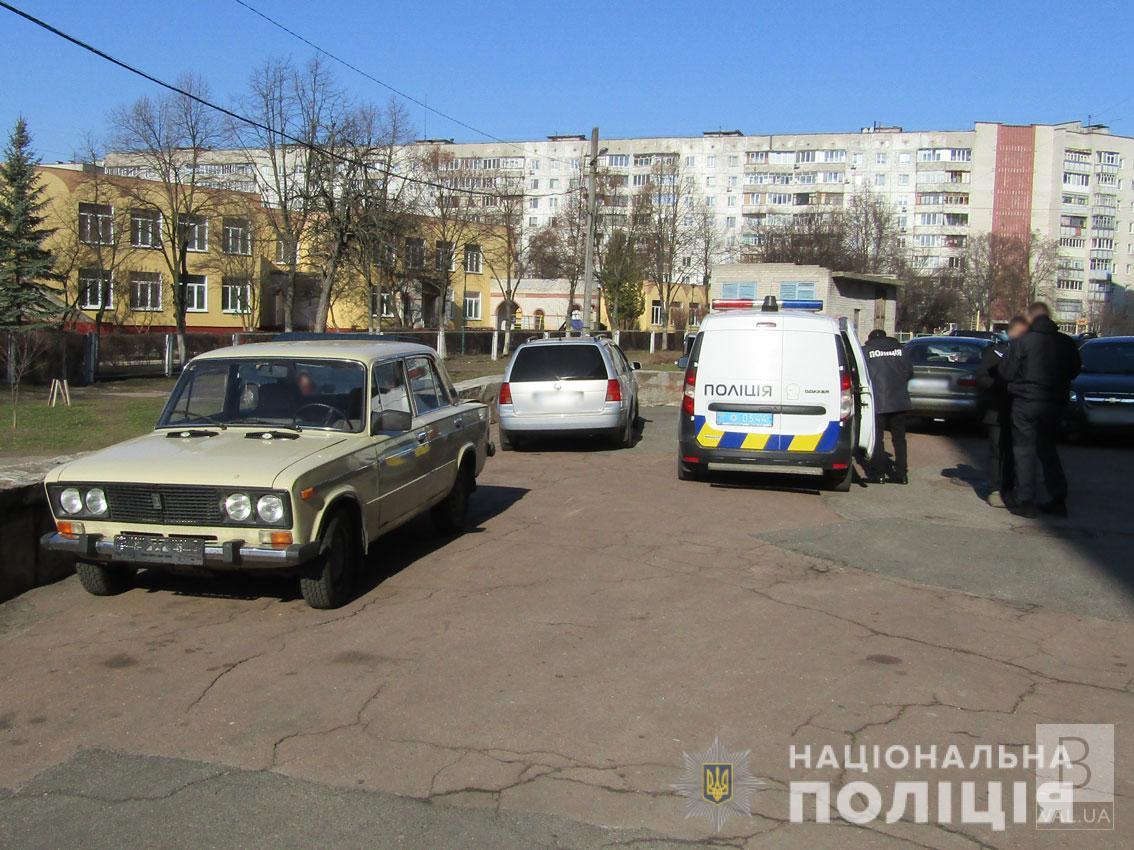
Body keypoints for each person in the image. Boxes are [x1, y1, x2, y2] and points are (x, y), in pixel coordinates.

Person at [999, 302, 1081, 518]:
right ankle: (1058, 498)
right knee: (1048, 450)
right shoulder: (1066, 342)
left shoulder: (1022, 342)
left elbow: (1006, 372)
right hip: (1054, 402)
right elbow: (1075, 370)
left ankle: (1025, 500)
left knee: (1024, 450)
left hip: (1025, 401)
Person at [975, 316, 1028, 508]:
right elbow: (981, 378)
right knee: (997, 452)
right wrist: (1000, 387)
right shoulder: (993, 353)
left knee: (1017, 452)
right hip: (997, 410)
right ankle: (995, 488)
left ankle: (1013, 488)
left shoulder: (1029, 353)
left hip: (1021, 410)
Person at [863, 328, 914, 484]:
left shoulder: (866, 351)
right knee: (899, 439)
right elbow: (909, 373)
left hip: (878, 401)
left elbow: (862, 373)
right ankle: (901, 474)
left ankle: (878, 474)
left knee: (877, 438)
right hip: (899, 401)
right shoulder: (901, 350)